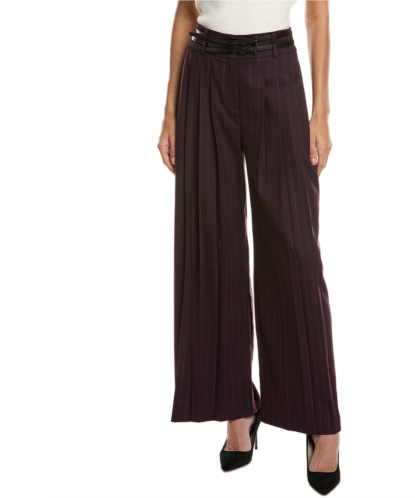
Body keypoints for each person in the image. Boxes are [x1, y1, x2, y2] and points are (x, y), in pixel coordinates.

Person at [158, 0, 341, 494]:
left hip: (276, 70)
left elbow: (317, 12)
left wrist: (320, 111)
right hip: (204, 75)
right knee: (212, 249)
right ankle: (236, 409)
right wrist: (170, 109)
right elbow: (186, 11)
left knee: (296, 252)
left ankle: (321, 419)